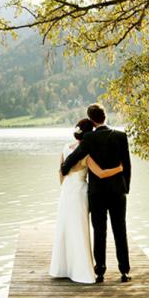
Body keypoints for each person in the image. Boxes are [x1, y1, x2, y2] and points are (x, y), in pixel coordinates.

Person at [60, 104, 132, 283]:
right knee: (120, 230)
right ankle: (124, 271)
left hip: (96, 193)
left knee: (99, 232)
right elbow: (127, 165)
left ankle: (100, 271)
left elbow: (73, 158)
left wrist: (65, 168)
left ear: (91, 120)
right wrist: (125, 188)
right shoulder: (120, 136)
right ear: (105, 116)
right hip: (117, 192)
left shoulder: (89, 138)